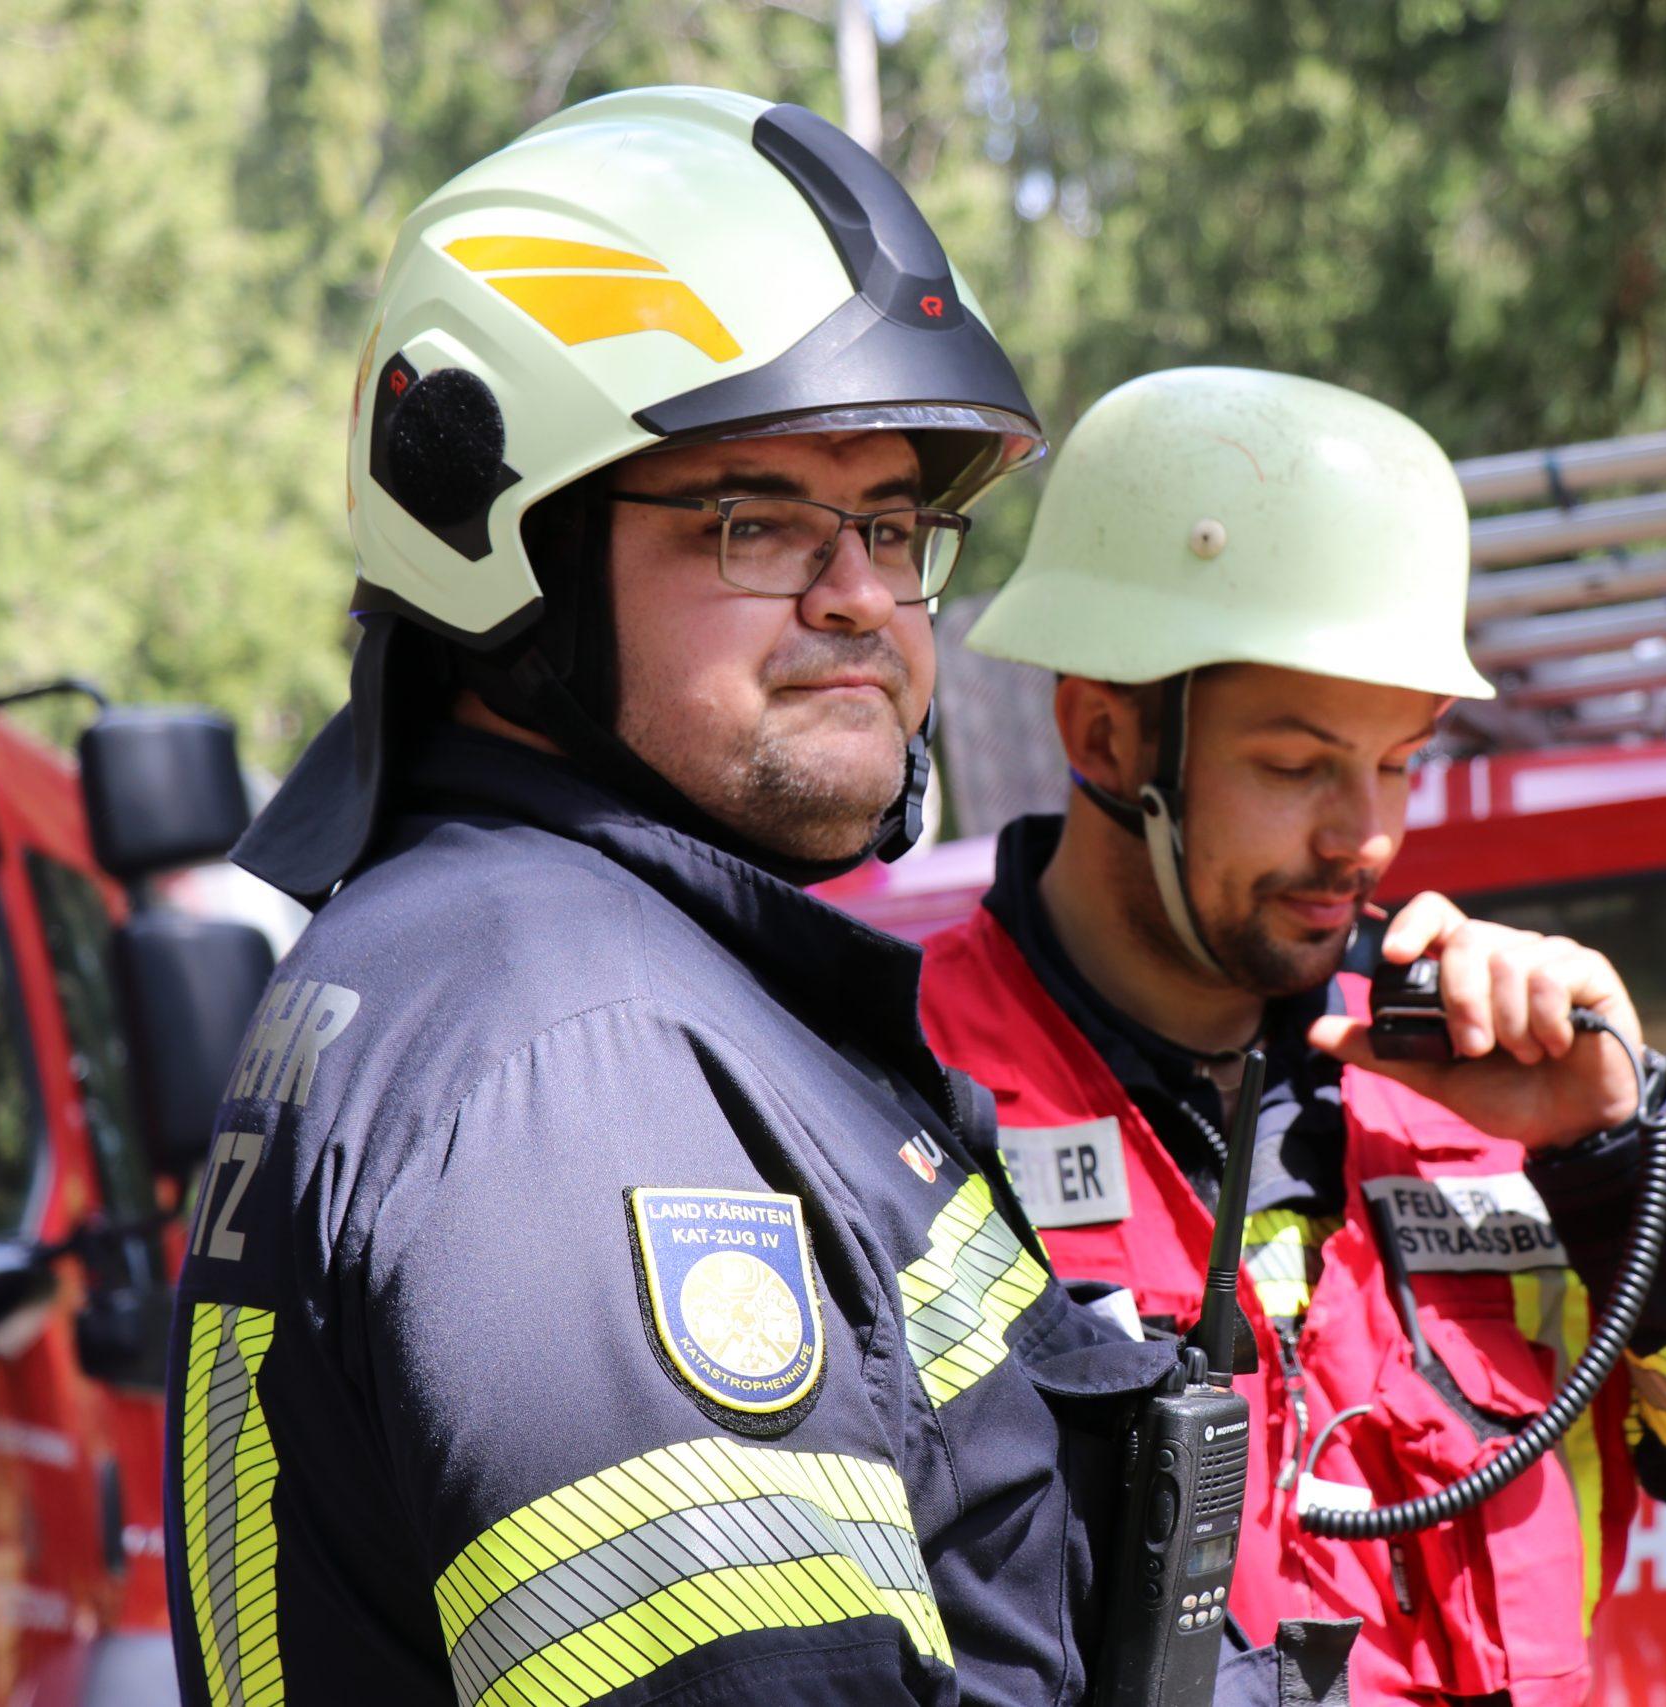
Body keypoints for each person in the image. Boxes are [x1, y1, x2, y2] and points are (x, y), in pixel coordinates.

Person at [164, 92, 1320, 1707]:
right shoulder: (577, 1065)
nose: (863, 596)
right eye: (756, 519)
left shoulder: (536, 975)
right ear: (506, 543)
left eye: (894, 525)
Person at [916, 367, 1666, 1705]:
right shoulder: (895, 1097)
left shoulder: (1489, 1090)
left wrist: (1622, 1154)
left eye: (1400, 761)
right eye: (1296, 765)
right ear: (1103, 731)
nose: (1367, 836)